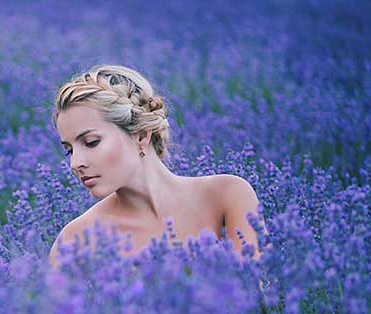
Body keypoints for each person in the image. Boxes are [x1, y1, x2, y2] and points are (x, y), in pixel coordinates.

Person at [48, 64, 268, 270]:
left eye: (91, 142)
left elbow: (260, 298)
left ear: (142, 135)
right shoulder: (75, 240)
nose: (75, 163)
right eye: (69, 150)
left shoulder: (227, 196)